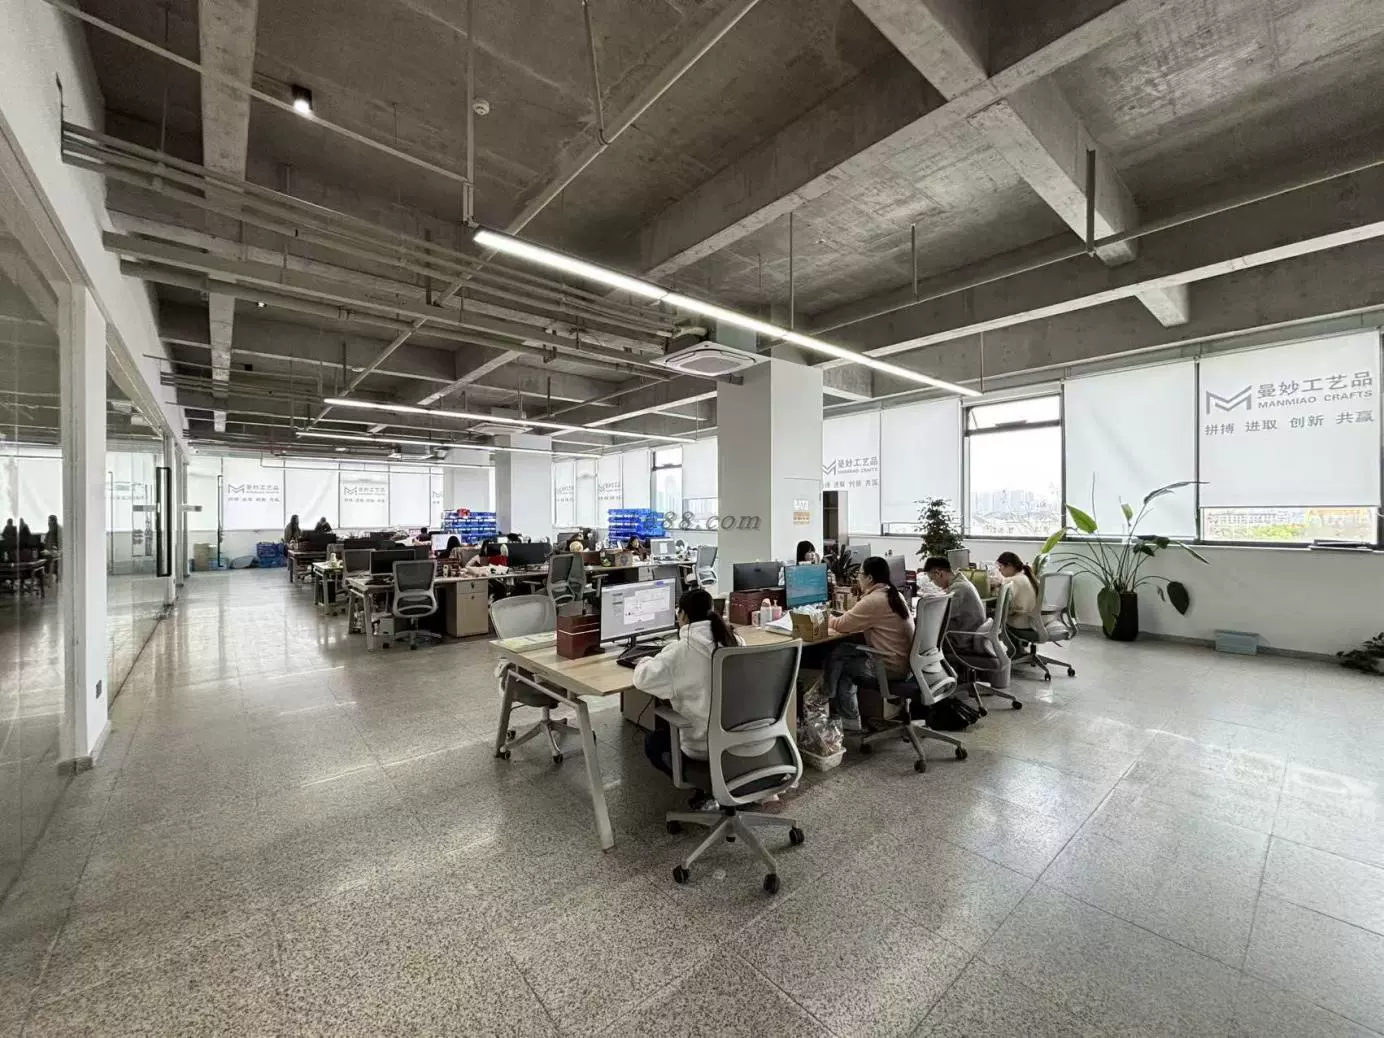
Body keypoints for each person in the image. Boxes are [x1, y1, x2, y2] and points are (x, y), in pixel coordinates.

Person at [636, 588, 742, 801]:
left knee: (653, 741)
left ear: (682, 615)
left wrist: (644, 660)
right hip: (743, 742)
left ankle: (706, 789)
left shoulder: (679, 651)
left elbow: (642, 679)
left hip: (704, 748)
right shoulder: (735, 641)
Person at [823, 555, 915, 733]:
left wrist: (824, 617)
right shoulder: (893, 594)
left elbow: (841, 625)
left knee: (841, 666)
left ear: (870, 578)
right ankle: (830, 700)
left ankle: (847, 718)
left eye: (860, 574)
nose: (858, 578)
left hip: (890, 668)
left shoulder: (874, 600)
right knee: (843, 650)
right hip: (904, 663)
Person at [996, 550, 1040, 630]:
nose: (999, 570)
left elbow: (999, 596)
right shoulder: (1026, 576)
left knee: (991, 617)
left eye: (1000, 566)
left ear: (1009, 565)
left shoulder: (1012, 580)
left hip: (1020, 623)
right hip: (1033, 622)